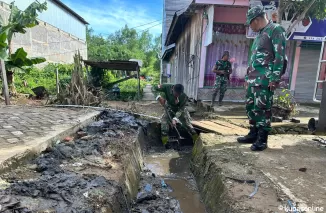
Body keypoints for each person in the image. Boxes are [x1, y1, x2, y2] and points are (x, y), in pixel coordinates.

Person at [237, 5, 287, 151]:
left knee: (263, 108)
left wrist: (275, 78)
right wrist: (247, 77)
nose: (250, 26)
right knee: (251, 107)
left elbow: (280, 56)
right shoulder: (259, 34)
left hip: (265, 78)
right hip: (253, 78)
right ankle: (253, 134)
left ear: (257, 19)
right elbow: (254, 59)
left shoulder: (275, 30)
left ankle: (262, 139)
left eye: (250, 23)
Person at [153, 83, 198, 148]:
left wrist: (175, 119)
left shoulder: (184, 96)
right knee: (164, 124)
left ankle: (197, 142)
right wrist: (159, 97)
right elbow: (153, 88)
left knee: (187, 125)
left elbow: (181, 109)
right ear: (172, 90)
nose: (177, 96)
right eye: (176, 94)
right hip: (169, 108)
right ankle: (165, 144)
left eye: (179, 94)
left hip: (180, 110)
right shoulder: (166, 87)